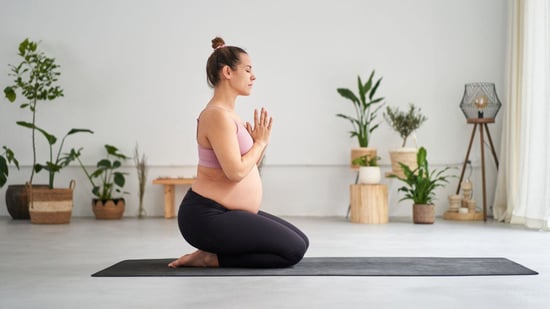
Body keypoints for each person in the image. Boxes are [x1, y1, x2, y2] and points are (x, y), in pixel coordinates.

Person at [168, 37, 309, 268]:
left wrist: (258, 143)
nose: (253, 76)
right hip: (207, 217)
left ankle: (210, 256)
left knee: (301, 241)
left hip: (227, 213)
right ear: (227, 72)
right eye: (247, 70)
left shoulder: (229, 115)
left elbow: (248, 167)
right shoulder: (216, 115)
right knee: (293, 250)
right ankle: (210, 258)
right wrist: (260, 144)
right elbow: (235, 172)